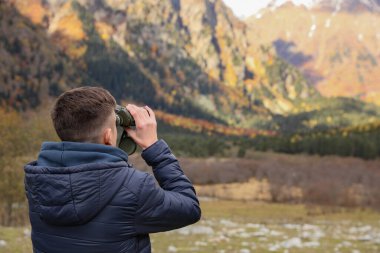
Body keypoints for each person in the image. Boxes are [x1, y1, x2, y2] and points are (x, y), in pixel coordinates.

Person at [24, 86, 201, 253]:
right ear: (108, 136)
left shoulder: (38, 181)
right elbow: (189, 207)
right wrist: (155, 148)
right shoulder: (133, 187)